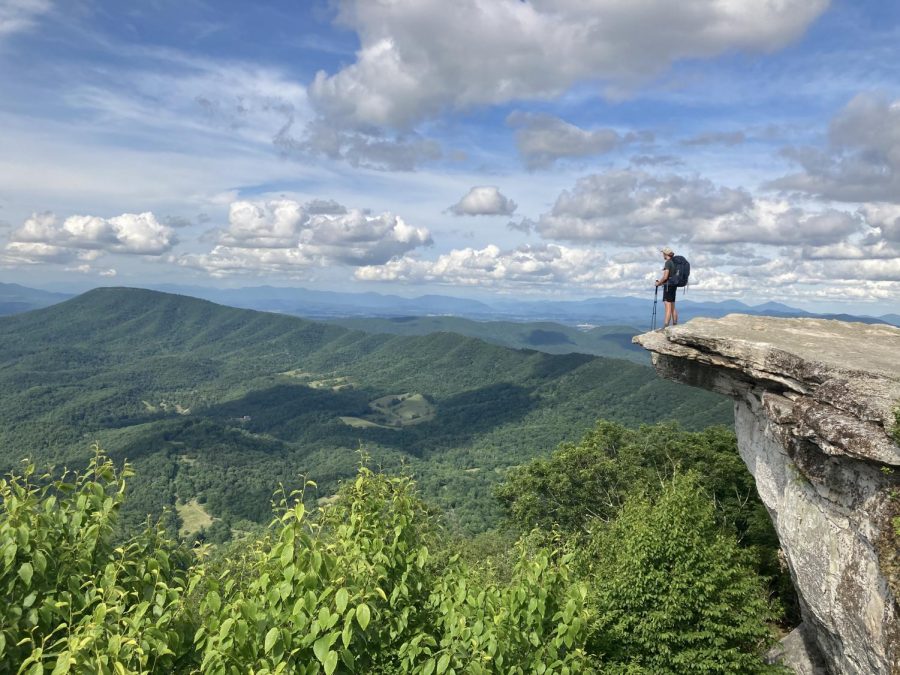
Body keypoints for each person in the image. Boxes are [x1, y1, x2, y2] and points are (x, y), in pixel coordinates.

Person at [655, 247, 678, 327]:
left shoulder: (668, 263)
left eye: (663, 253)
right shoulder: (674, 262)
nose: (662, 255)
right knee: (672, 307)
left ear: (666, 254)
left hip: (668, 286)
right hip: (674, 285)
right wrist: (662, 283)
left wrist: (658, 283)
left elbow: (665, 277)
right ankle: (675, 325)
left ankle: (665, 327)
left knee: (667, 307)